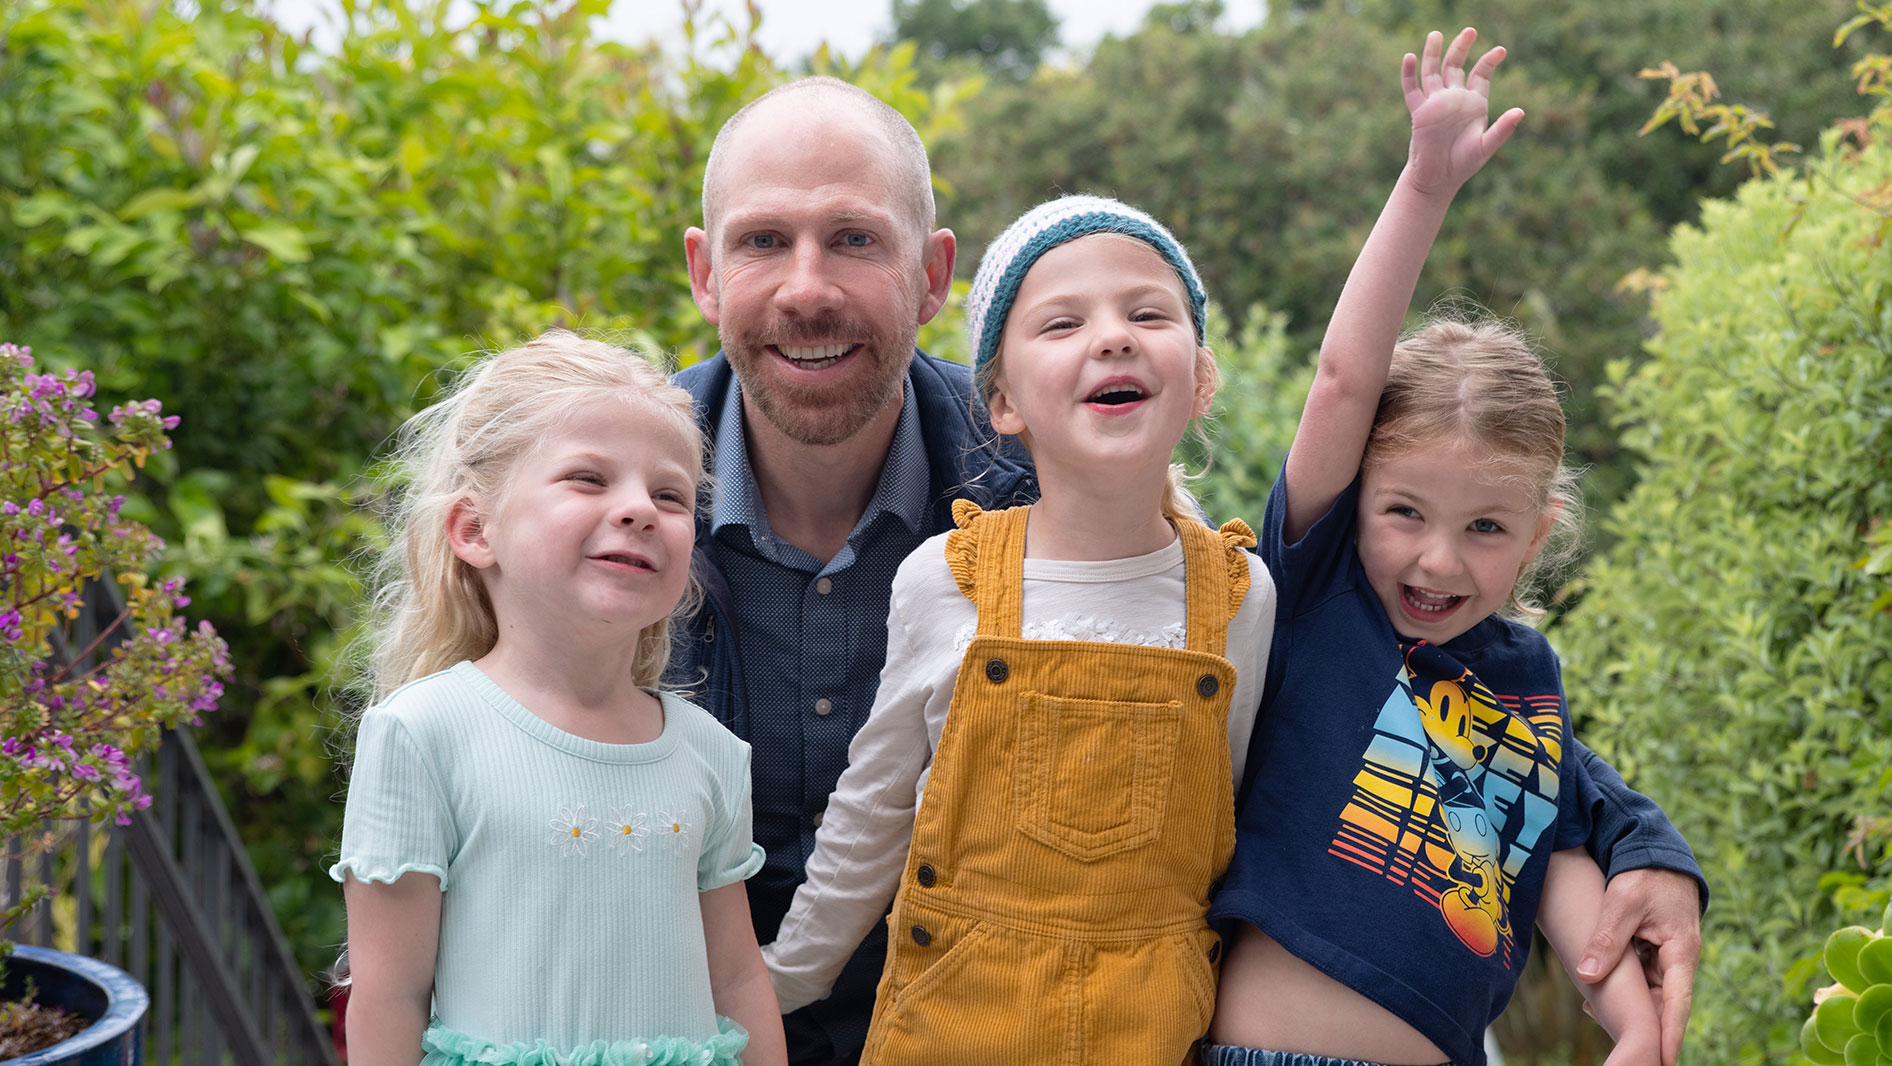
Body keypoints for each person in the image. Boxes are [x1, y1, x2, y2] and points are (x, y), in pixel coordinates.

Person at [669, 76, 1705, 1066]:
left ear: (930, 276)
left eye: (854, 238)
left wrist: (1633, 837)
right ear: (704, 273)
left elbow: (1404, 706)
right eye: (764, 240)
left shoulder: (1217, 587)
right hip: (801, 1023)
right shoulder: (631, 492)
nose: (807, 286)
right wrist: (758, 995)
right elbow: (858, 823)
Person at [1206, 31, 1659, 1066]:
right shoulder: (1321, 593)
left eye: (1485, 528)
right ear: (1357, 499)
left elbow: (1553, 856)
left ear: (1537, 534)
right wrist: (1423, 187)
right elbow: (1342, 381)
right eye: (1403, 512)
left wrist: (1632, 1023)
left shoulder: (1525, 677)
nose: (1438, 562)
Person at [760, 193, 1276, 1063]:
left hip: (1151, 1035)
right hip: (952, 1025)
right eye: (1063, 323)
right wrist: (781, 983)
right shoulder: (947, 576)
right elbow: (873, 811)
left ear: (1200, 378)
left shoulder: (1237, 595)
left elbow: (1230, 826)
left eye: (1148, 314)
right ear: (1003, 401)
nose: (1113, 337)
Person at [332, 332, 788, 1066]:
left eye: (669, 494)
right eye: (587, 478)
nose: (639, 508)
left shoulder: (709, 751)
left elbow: (735, 978)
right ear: (475, 530)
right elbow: (389, 998)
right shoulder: (423, 734)